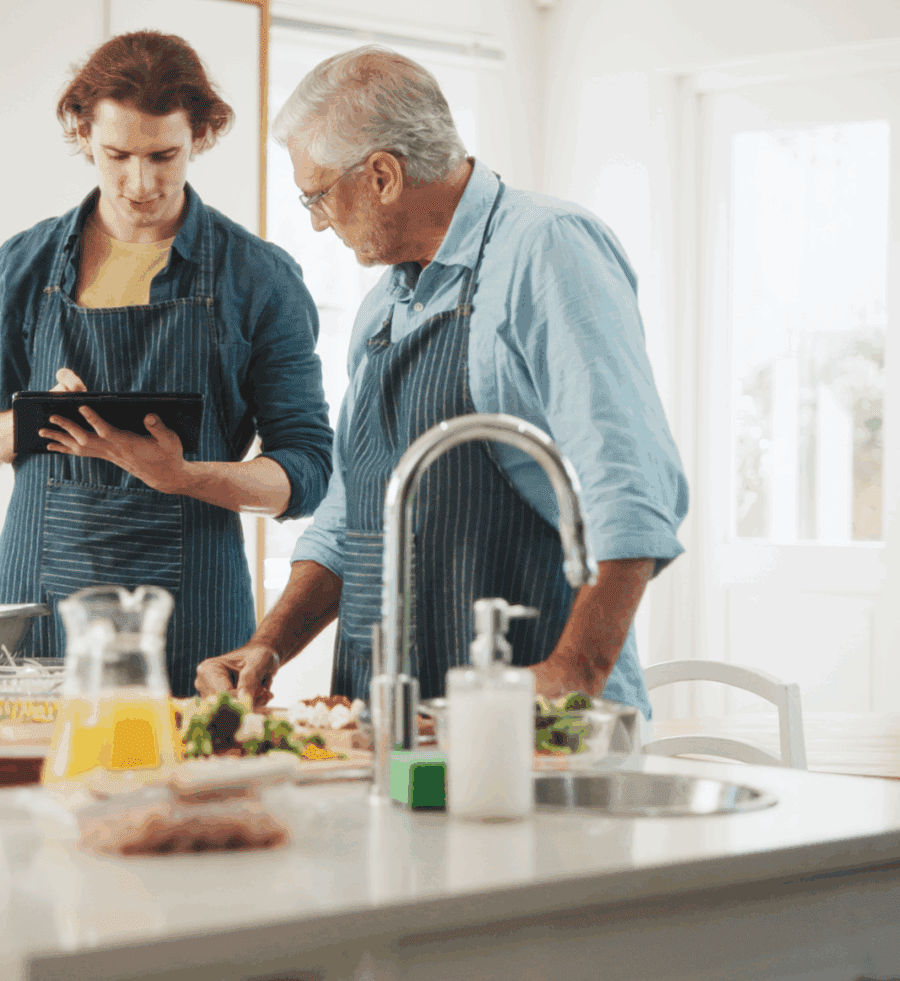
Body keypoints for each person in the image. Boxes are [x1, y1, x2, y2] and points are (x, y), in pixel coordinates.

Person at [195, 46, 688, 715]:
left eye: (317, 195)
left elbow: (629, 481)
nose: (315, 219)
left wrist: (574, 671)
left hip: (527, 705)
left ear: (382, 175)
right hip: (387, 712)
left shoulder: (545, 248)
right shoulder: (383, 304)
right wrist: (269, 645)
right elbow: (352, 509)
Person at [0, 31, 334, 694]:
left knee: (184, 792)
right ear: (82, 134)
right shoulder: (22, 267)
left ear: (200, 138)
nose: (139, 183)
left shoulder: (259, 278)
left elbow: (306, 472)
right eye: (116, 154)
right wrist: (36, 418)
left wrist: (185, 475)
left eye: (163, 155)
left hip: (193, 619)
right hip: (38, 613)